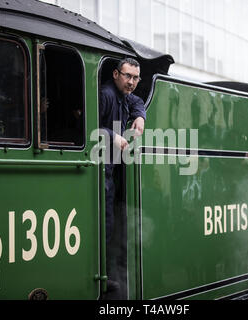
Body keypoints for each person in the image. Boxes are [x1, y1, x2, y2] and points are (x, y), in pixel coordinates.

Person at [99, 58, 145, 295]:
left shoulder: (124, 96)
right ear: (116, 74)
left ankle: (107, 274)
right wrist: (111, 135)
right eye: (128, 76)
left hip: (112, 168)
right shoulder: (106, 94)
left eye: (136, 78)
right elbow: (87, 124)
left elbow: (137, 101)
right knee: (104, 224)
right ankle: (102, 279)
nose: (132, 82)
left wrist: (140, 116)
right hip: (100, 168)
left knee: (111, 222)